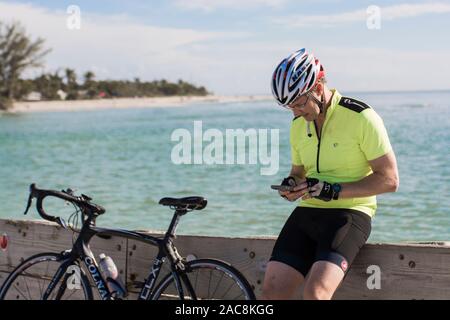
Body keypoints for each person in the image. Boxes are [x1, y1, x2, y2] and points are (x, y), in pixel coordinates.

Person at [261, 48, 399, 300]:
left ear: (317, 87)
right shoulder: (297, 125)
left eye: (300, 103)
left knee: (316, 293)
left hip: (350, 214)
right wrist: (291, 185)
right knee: (272, 288)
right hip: (308, 212)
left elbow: (389, 180)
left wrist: (334, 190)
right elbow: (298, 171)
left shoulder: (361, 117)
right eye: (289, 107)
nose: (296, 113)